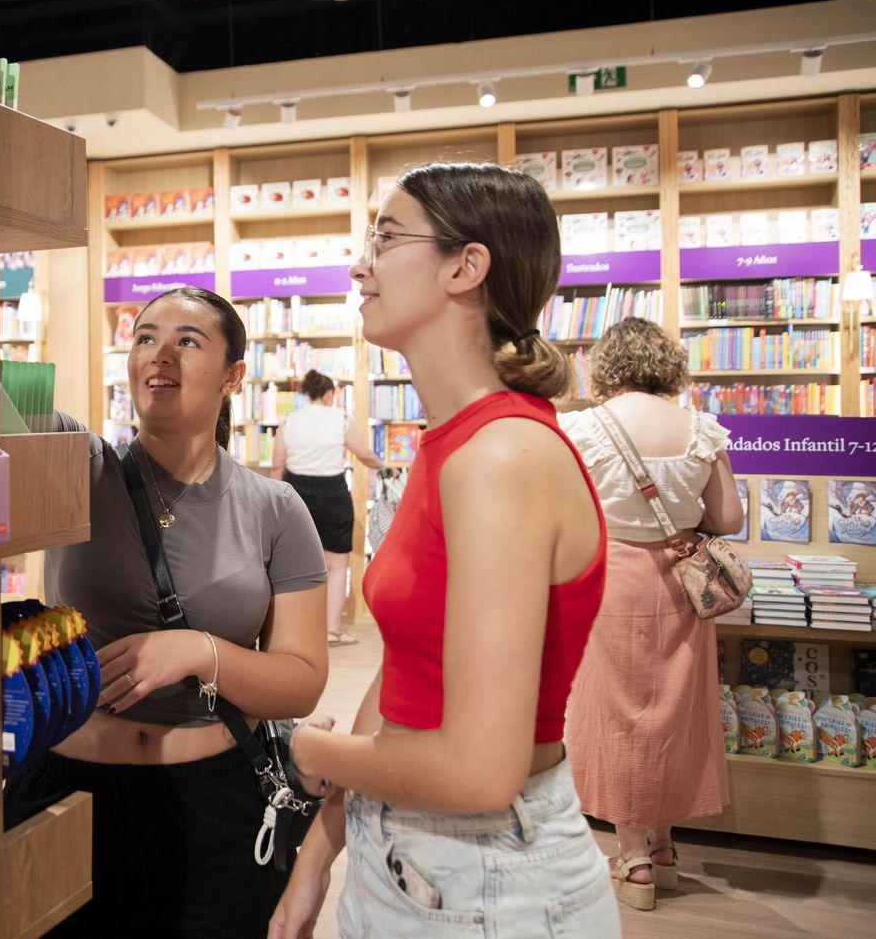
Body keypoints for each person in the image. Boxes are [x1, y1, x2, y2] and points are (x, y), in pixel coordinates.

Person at [269, 163, 619, 939]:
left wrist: (313, 746)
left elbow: (479, 770)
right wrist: (317, 855)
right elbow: (404, 673)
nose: (360, 264)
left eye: (386, 238)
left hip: (489, 879)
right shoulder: (452, 444)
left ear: (466, 266)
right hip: (417, 858)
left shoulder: (500, 458)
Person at [5, 286, 329, 938]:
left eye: (188, 341)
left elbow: (302, 679)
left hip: (213, 804)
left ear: (235, 376)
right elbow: (5, 407)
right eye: (146, 337)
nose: (161, 355)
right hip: (65, 791)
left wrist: (201, 652)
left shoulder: (275, 510)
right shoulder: (81, 465)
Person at [557, 316, 742, 911]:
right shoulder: (699, 428)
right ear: (668, 364)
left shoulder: (581, 428)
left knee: (616, 714)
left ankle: (632, 858)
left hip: (606, 582)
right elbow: (730, 518)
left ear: (606, 365)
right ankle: (664, 848)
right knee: (672, 712)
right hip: (680, 588)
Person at [271, 369, 384, 646]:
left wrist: (274, 504)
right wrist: (383, 467)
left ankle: (294, 630)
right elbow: (365, 454)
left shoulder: (289, 421)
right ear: (330, 394)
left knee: (294, 563)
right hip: (333, 491)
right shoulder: (341, 417)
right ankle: (332, 631)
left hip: (295, 490)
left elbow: (277, 466)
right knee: (336, 565)